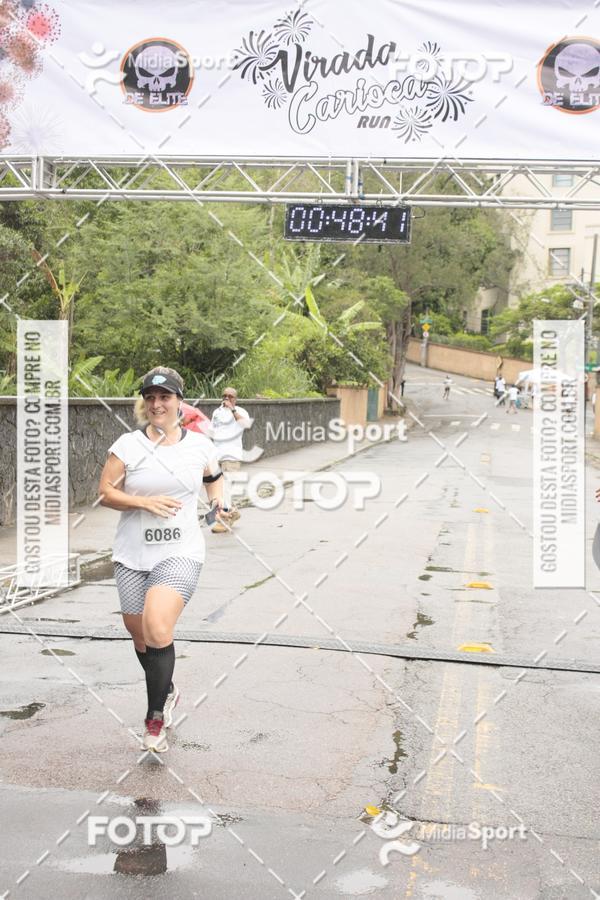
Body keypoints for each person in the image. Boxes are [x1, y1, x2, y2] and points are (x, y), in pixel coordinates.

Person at [98, 366, 224, 753]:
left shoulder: (200, 445)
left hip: (180, 551)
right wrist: (142, 502)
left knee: (156, 625)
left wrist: (219, 503)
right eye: (150, 398)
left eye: (164, 397)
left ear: (179, 402)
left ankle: (154, 721)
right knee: (139, 634)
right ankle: (167, 689)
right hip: (132, 554)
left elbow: (213, 476)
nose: (157, 404)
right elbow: (105, 492)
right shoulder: (127, 446)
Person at [209, 387, 252, 534]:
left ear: (235, 399)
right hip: (217, 455)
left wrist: (233, 410)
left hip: (232, 456)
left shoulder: (240, 411)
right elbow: (212, 432)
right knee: (219, 489)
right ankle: (233, 512)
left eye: (230, 396)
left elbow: (246, 425)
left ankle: (224, 520)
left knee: (226, 488)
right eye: (224, 396)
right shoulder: (216, 412)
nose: (227, 398)